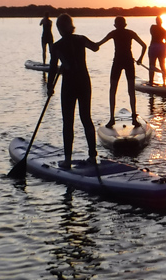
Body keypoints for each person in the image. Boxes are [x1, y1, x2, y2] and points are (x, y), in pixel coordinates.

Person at [47, 14, 101, 169]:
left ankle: (67, 160)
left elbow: (52, 68)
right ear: (71, 26)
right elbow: (95, 48)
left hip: (70, 85)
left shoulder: (56, 46)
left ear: (59, 29)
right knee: (86, 119)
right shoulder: (81, 39)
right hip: (84, 82)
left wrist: (50, 87)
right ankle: (92, 156)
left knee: (68, 122)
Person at [97, 16, 147, 128]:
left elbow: (98, 44)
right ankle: (133, 118)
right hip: (128, 61)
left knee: (113, 90)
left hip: (119, 62)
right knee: (130, 91)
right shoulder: (130, 33)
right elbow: (144, 46)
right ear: (125, 24)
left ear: (115, 25)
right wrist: (140, 59)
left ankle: (112, 119)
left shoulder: (113, 33)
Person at [147, 15, 166, 85]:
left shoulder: (153, 27)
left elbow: (152, 33)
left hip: (154, 47)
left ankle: (151, 81)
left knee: (152, 65)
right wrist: (165, 52)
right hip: (161, 47)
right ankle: (164, 82)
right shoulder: (164, 31)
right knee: (162, 65)